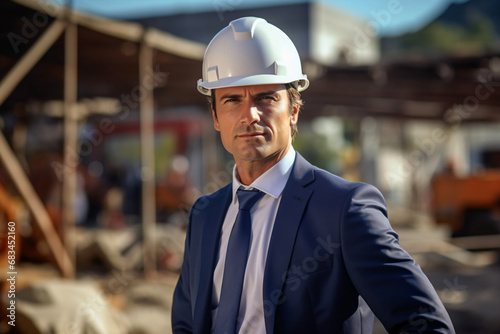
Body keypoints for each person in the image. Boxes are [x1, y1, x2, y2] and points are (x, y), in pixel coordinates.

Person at [172, 17, 455, 334]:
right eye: (232, 100)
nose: (249, 115)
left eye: (266, 97)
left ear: (293, 112)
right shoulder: (204, 214)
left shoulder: (344, 209)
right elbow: (186, 323)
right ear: (215, 117)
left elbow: (427, 325)